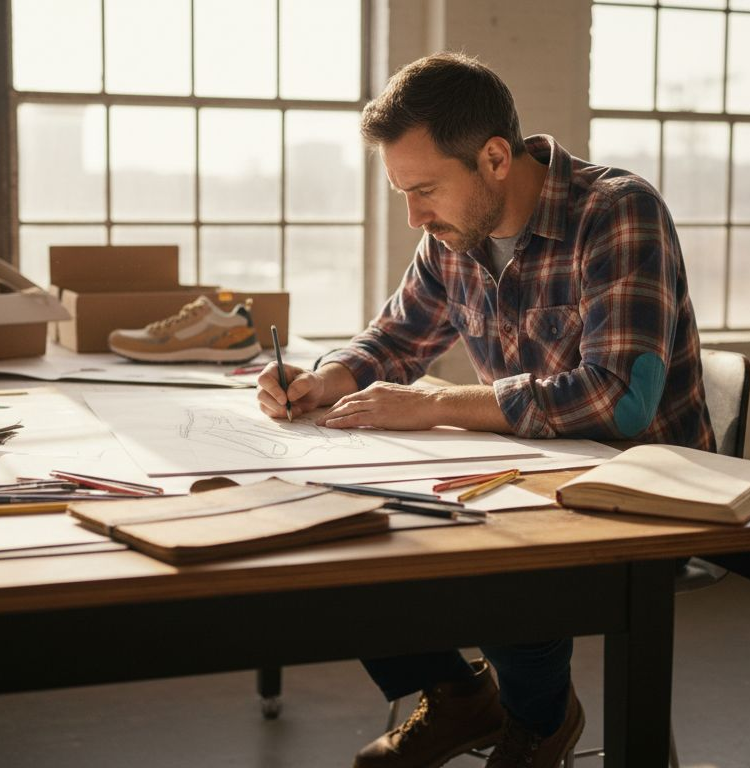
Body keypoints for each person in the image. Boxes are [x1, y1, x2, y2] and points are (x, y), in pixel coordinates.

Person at [257, 52, 713, 768]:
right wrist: (328, 378)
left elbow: (621, 402)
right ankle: (461, 695)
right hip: (526, 469)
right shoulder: (453, 234)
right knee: (335, 528)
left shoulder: (617, 211)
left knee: (491, 549)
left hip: (643, 487)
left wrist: (441, 403)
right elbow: (399, 336)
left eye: (425, 189)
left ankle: (539, 720)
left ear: (495, 157)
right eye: (402, 193)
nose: (413, 214)